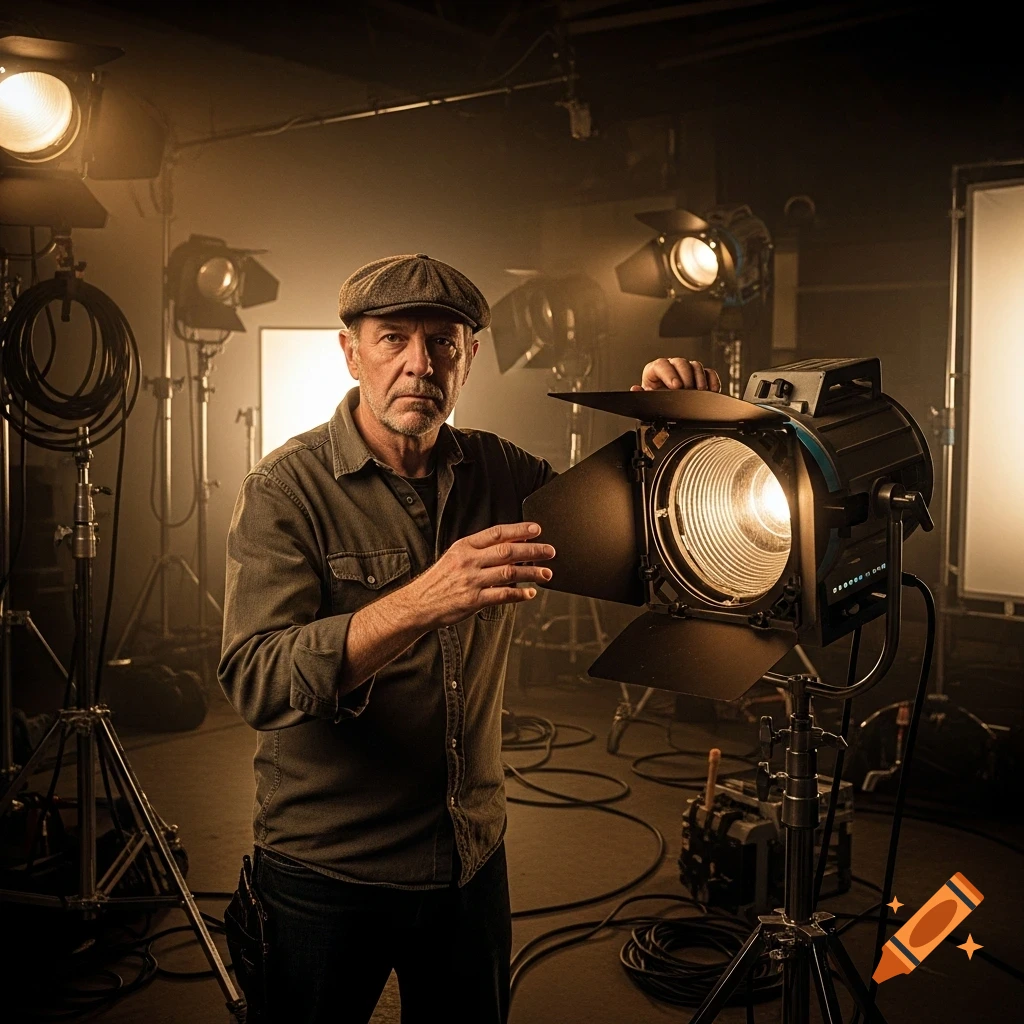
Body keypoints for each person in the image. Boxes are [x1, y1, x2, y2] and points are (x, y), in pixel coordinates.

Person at [218, 253, 722, 1023]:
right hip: (327, 870)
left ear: (471, 357)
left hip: (468, 858)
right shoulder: (286, 490)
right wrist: (422, 600)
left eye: (443, 343)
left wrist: (673, 433)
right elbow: (257, 679)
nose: (419, 365)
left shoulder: (499, 469)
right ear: (351, 352)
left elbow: (639, 541)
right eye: (393, 340)